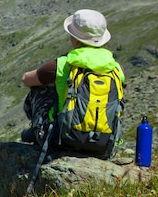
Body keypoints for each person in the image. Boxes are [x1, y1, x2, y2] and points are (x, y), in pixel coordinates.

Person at [20, 9, 125, 146]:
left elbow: (26, 79)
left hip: (62, 140)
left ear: (75, 39)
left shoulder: (64, 64)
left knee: (40, 88)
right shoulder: (116, 68)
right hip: (104, 143)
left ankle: (38, 130)